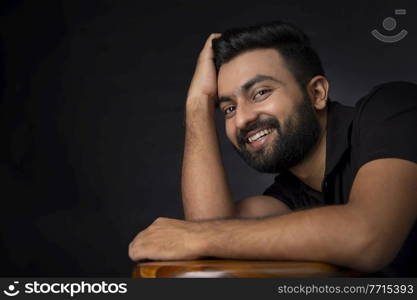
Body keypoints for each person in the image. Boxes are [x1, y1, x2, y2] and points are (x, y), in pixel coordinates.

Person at [128, 21, 417, 276]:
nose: (242, 119)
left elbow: (368, 236)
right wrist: (197, 104)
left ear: (317, 94)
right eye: (228, 108)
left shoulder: (394, 109)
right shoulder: (290, 195)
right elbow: (210, 231)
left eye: (261, 93)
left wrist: (203, 237)